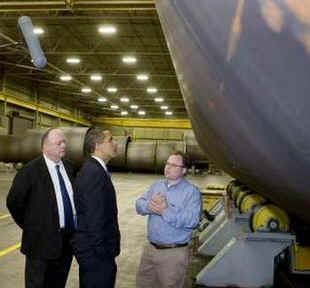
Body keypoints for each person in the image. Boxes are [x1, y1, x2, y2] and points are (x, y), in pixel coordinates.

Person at [7, 127, 76, 288]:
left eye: (64, 142)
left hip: (66, 242)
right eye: (59, 143)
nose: (63, 146)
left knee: (58, 283)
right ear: (45, 146)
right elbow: (14, 202)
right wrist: (32, 226)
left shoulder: (69, 167)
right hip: (39, 244)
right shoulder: (30, 171)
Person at [136, 151, 201, 288]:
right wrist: (149, 206)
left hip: (173, 254)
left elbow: (193, 220)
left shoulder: (191, 192)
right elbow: (139, 204)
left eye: (173, 165)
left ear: (184, 170)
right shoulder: (157, 185)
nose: (168, 167)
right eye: (167, 163)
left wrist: (165, 211)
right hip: (150, 250)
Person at [73, 128, 120, 288]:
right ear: (97, 145)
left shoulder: (97, 169)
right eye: (111, 140)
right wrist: (102, 253)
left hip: (96, 252)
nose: (115, 143)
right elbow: (95, 217)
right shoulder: (93, 172)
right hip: (96, 254)